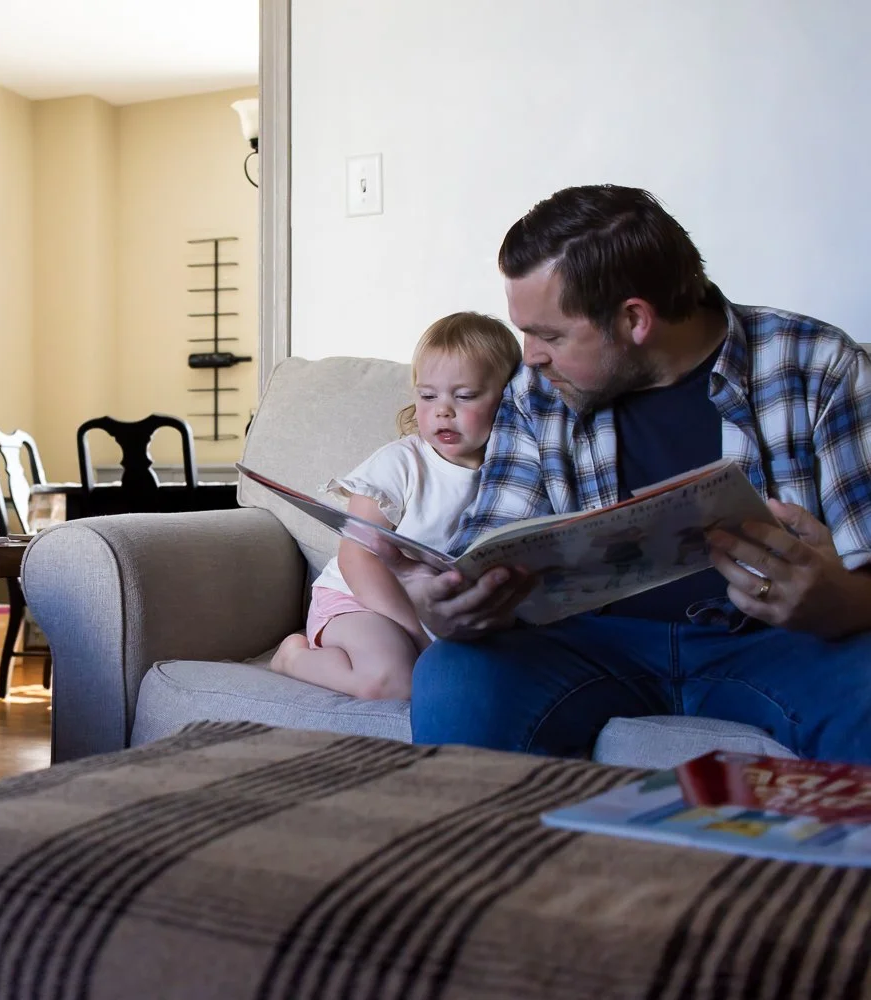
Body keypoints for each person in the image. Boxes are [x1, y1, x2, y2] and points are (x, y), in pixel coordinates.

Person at [369, 184, 871, 763]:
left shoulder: (816, 366)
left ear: (635, 319)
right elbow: (489, 541)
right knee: (455, 673)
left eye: (549, 335)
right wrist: (448, 607)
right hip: (591, 642)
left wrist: (839, 600)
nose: (529, 355)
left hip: (778, 643)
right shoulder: (536, 390)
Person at [271, 313, 520, 699]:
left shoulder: (512, 476)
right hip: (357, 600)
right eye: (428, 396)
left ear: (507, 398)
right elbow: (356, 558)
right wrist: (417, 633)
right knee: (394, 679)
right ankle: (293, 657)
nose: (442, 410)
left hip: (435, 610)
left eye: (465, 396)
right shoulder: (399, 464)